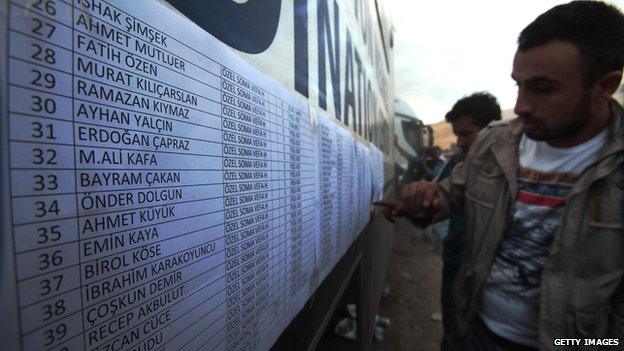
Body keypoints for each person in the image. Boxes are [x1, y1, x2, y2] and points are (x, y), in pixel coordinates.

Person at [376, 1, 624, 350]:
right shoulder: (495, 142)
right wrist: (425, 201)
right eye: (518, 85)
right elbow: (454, 193)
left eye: (542, 88)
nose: (521, 105)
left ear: (605, 85)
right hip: (473, 332)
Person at [437, 92, 502, 351]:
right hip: (455, 262)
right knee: (453, 334)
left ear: (491, 130)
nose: (460, 143)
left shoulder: (515, 168)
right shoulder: (457, 164)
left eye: (466, 134)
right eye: (457, 135)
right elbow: (436, 195)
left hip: (487, 273)